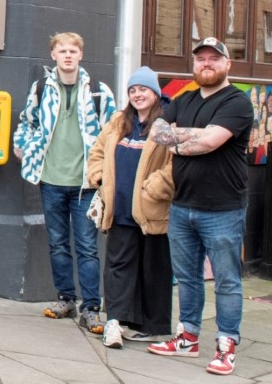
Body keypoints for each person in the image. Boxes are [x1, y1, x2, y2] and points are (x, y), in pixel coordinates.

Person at [147, 38, 253, 376]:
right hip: (182, 205)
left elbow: (210, 142)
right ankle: (188, 338)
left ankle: (226, 346)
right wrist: (189, 139)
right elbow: (157, 132)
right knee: (188, 277)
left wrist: (180, 142)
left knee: (227, 280)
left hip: (223, 209)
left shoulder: (237, 102)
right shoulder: (184, 98)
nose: (206, 64)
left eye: (213, 59)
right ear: (194, 64)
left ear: (227, 65)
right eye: (200, 59)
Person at [12, 31, 114, 333]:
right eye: (62, 51)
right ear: (53, 55)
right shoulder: (41, 87)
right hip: (51, 180)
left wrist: (103, 169)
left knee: (87, 246)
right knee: (57, 244)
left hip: (86, 184)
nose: (67, 55)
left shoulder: (98, 91)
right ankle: (66, 298)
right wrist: (24, 147)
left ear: (80, 55)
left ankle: (92, 306)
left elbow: (113, 130)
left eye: (73, 51)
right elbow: (27, 122)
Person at [86, 66, 174, 348]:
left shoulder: (167, 123)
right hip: (120, 209)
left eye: (143, 89)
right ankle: (116, 321)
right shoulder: (118, 121)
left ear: (155, 93)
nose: (137, 95)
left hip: (152, 210)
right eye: (133, 90)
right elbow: (97, 150)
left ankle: (151, 326)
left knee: (154, 267)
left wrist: (155, 187)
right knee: (119, 266)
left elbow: (177, 163)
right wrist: (99, 177)